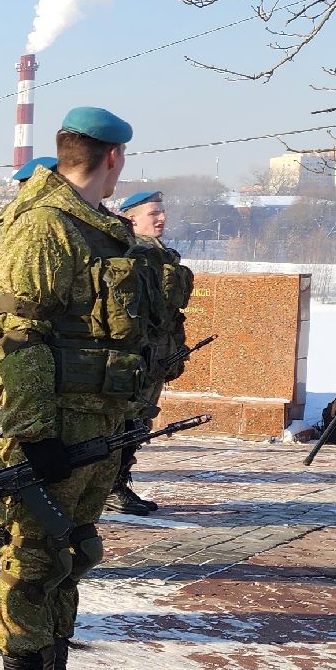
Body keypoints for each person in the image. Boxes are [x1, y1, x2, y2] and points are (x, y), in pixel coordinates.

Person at [0, 106, 159, 670]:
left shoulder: (93, 229)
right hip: (55, 429)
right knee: (32, 557)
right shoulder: (46, 228)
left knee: (71, 552)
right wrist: (34, 433)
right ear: (114, 158)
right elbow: (17, 335)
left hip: (94, 426)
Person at [111, 190, 192, 515]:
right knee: (126, 423)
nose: (161, 218)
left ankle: (116, 484)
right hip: (136, 357)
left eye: (162, 211)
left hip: (156, 356)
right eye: (152, 213)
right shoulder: (133, 253)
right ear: (132, 218)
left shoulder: (160, 254)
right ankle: (111, 487)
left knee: (138, 423)